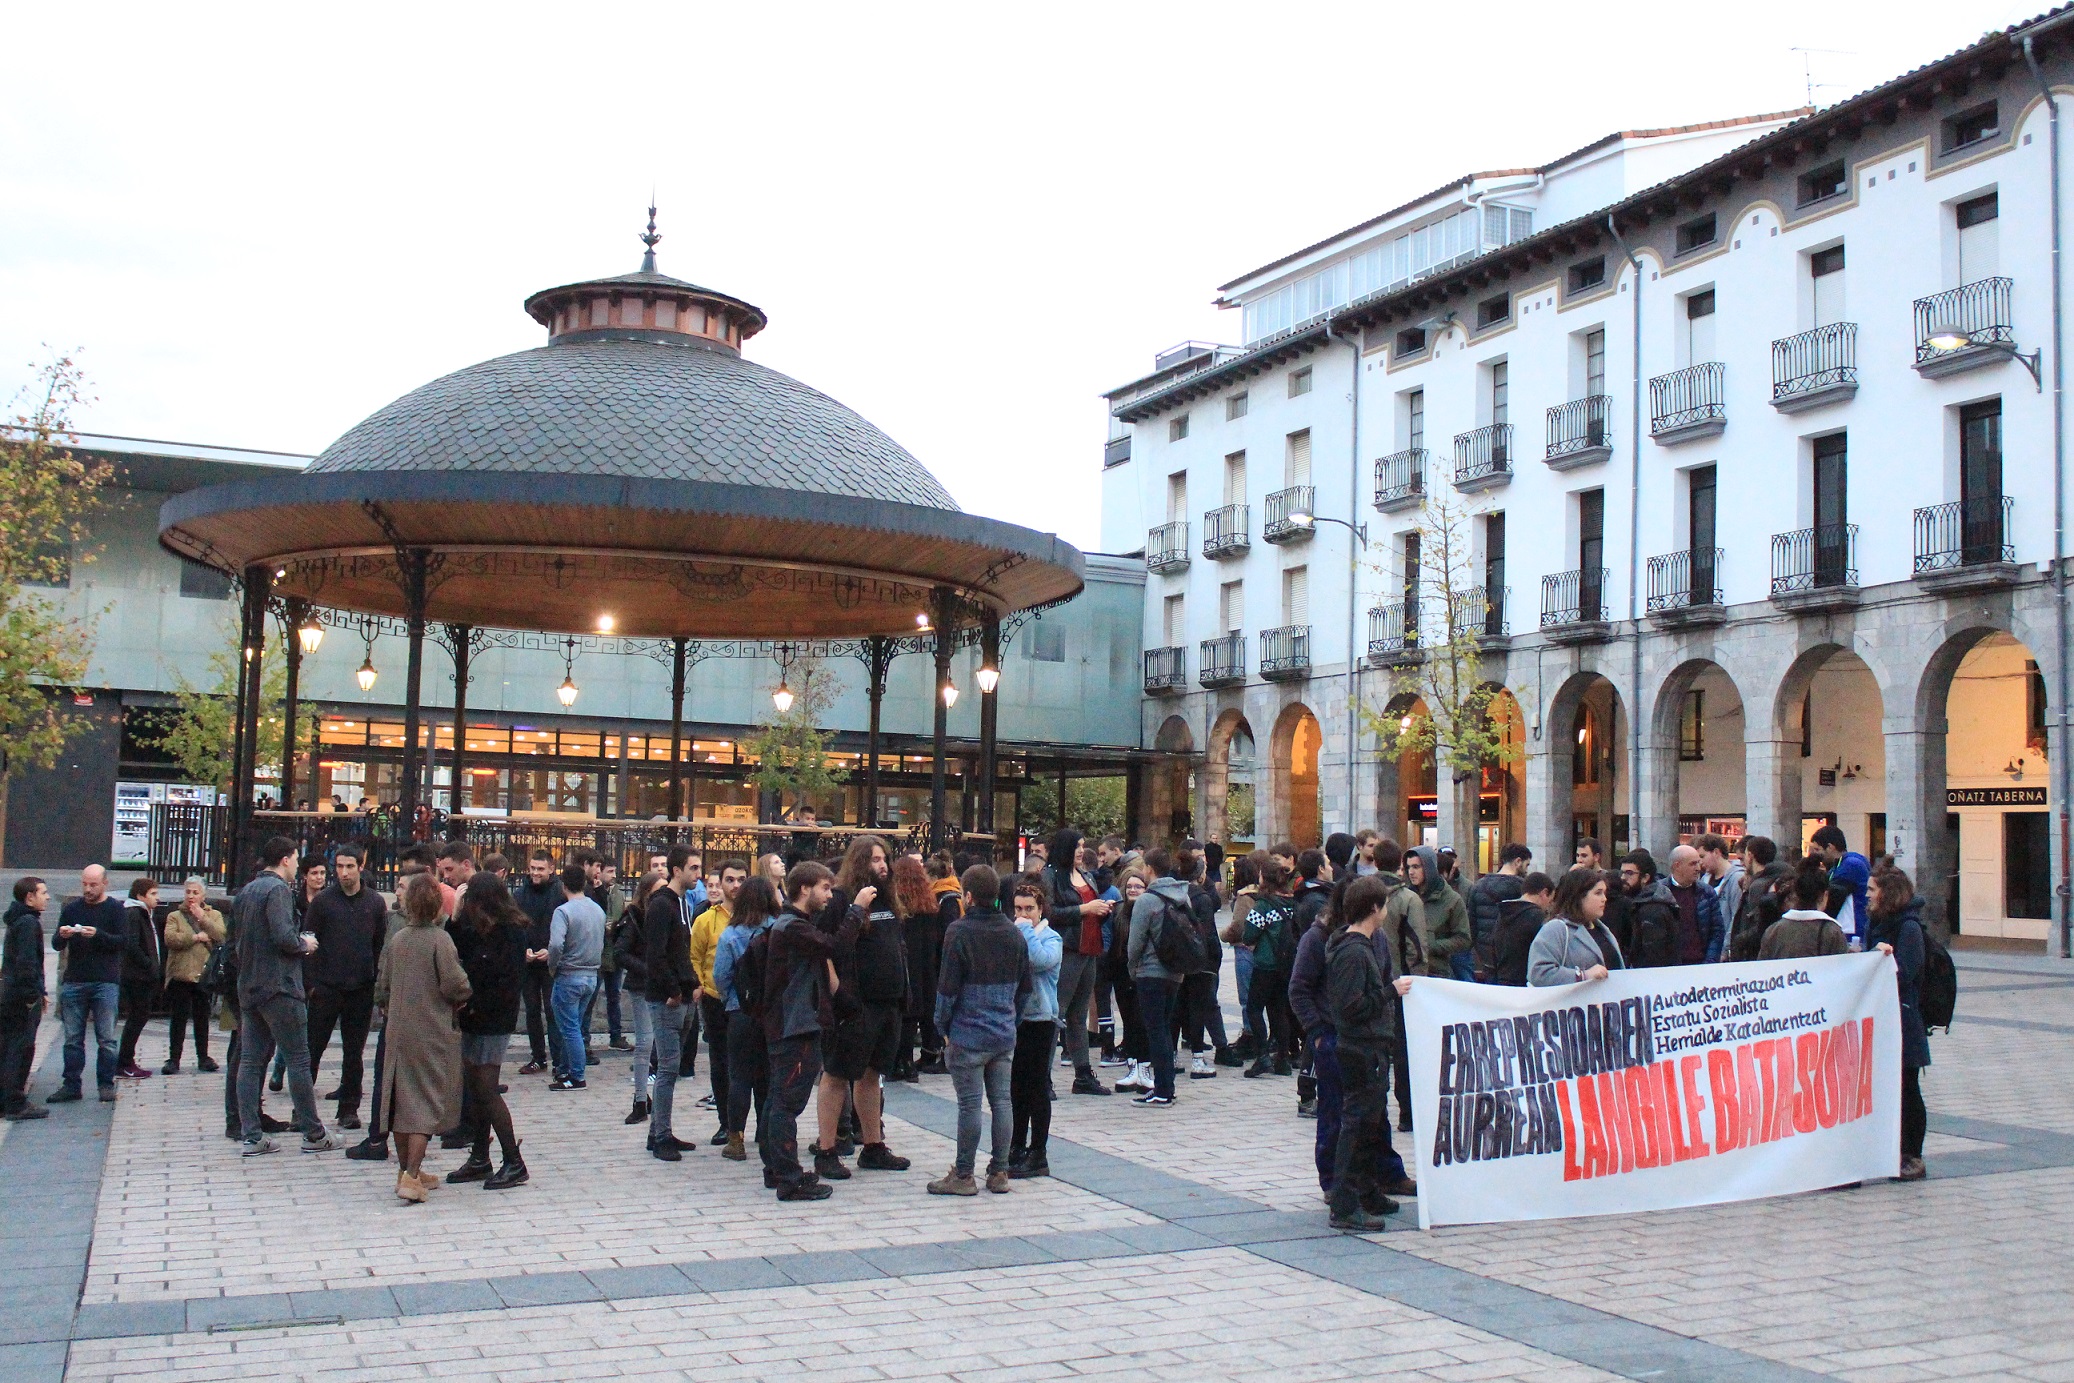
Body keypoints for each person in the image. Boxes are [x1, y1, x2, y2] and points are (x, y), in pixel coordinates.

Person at [1289, 868, 1418, 1207]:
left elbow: (1382, 978)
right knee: (1338, 1115)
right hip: (1338, 1038)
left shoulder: (1373, 938)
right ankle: (1337, 1183)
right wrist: (1317, 1032)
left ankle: (1379, 1176)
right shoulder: (1326, 940)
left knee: (1373, 1114)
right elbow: (1301, 989)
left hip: (1370, 1039)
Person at [233, 836, 345, 1154]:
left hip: (249, 984)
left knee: (251, 1060)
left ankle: (251, 1135)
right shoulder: (278, 890)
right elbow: (284, 937)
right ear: (285, 859)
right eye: (296, 858)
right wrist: (304, 944)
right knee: (298, 1058)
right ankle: (313, 1133)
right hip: (279, 985)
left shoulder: (247, 890)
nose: (297, 864)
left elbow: (234, 939)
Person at [813, 836, 911, 1178]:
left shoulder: (888, 899)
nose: (882, 865)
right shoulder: (841, 901)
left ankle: (873, 1146)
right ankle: (826, 1150)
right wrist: (840, 995)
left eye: (884, 859)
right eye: (873, 860)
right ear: (858, 863)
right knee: (837, 1074)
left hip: (888, 1004)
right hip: (855, 1006)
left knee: (872, 1076)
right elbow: (822, 950)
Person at [931, 865, 1031, 1195]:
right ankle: (1000, 1171)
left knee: (970, 1106)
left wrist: (942, 1025)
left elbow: (947, 988)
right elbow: (1025, 989)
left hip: (967, 1032)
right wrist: (1010, 1019)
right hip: (1002, 1032)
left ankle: (963, 1175)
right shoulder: (1013, 932)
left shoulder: (959, 932)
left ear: (969, 896)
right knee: (1002, 1103)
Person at [372, 873, 471, 1203]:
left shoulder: (399, 939)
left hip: (398, 1030)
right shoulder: (440, 941)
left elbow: (382, 985)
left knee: (401, 1100)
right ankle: (412, 1175)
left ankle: (406, 1170)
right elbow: (454, 984)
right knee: (425, 1103)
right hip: (430, 1031)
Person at [1326, 875, 1415, 1232]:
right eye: (1385, 905)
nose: (1387, 910)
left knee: (1373, 1125)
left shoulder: (1363, 945)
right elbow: (1350, 1007)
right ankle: (1345, 1204)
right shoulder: (1352, 951)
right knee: (1357, 1126)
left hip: (1372, 1046)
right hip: (1359, 1048)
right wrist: (1390, 991)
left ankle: (1366, 1190)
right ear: (1374, 909)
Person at [442, 874, 530, 1189]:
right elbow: (453, 947)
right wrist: (453, 917)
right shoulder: (479, 929)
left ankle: (513, 1160)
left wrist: (473, 1004)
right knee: (476, 1089)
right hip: (474, 1018)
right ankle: (480, 1157)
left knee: (487, 1088)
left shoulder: (510, 932)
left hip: (493, 1019)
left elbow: (506, 983)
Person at [763, 860, 841, 1200]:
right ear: (804, 889)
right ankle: (788, 1179)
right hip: (795, 1025)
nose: (829, 895)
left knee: (778, 1098)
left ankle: (777, 1169)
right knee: (786, 1102)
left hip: (791, 1023)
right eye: (824, 888)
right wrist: (855, 912)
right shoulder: (792, 927)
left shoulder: (794, 924)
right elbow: (834, 946)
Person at [302, 844, 389, 1128]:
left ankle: (349, 1108)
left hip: (360, 987)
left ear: (361, 867)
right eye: (339, 866)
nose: (344, 872)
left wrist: (374, 980)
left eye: (350, 866)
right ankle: (302, 1110)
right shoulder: (323, 902)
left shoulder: (374, 903)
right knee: (312, 1049)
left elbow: (379, 944)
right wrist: (312, 984)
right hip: (327, 986)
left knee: (354, 1052)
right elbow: (308, 941)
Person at [1866, 865, 1932, 1182]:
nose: (1866, 895)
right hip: (1880, 1017)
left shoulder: (1908, 929)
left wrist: (1883, 958)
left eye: (1872, 889)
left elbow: (1905, 973)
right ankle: (1890, 1150)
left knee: (1907, 1087)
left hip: (1903, 1019)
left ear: (1887, 894)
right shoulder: (1877, 923)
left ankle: (1912, 1155)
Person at [1041, 828, 1113, 1097]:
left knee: (1078, 1016)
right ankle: (1042, 1077)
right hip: (1067, 951)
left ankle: (1083, 1075)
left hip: (1089, 950)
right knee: (1056, 1014)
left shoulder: (1085, 875)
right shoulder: (1049, 877)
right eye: (1076, 846)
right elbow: (1048, 913)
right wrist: (1085, 910)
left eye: (1083, 846)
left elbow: (1090, 909)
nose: (1081, 851)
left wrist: (1103, 910)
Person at [642, 846, 701, 1162]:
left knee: (672, 1066)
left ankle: (660, 1131)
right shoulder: (662, 905)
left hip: (682, 994)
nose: (697, 874)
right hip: (667, 999)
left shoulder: (681, 903)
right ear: (677, 870)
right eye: (692, 868)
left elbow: (681, 951)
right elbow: (656, 954)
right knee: (667, 1067)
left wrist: (691, 983)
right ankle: (660, 1136)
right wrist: (674, 990)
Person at [714, 876, 778, 1166]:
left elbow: (721, 976)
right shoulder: (777, 929)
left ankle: (735, 1138)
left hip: (740, 1011)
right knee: (767, 1075)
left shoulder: (731, 934)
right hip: (771, 1012)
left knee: (739, 1076)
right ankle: (766, 1133)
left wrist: (732, 1000)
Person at [51, 865, 127, 1104]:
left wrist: (98, 935)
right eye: (85, 884)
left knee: (106, 1037)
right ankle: (71, 1084)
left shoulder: (115, 909)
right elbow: (56, 944)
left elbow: (123, 942)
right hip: (75, 979)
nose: (88, 889)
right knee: (72, 1038)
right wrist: (62, 935)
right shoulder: (73, 908)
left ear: (105, 883)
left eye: (93, 884)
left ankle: (105, 1084)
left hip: (105, 980)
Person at [1126, 848, 1192, 1107]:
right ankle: (1167, 1087)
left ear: (1150, 869)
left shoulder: (1147, 900)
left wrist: (1133, 969)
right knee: (1164, 1029)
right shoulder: (1182, 897)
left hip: (1151, 971)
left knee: (1156, 1032)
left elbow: (1135, 942)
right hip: (1175, 971)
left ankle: (1163, 1090)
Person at [1007, 882, 1062, 1178]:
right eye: (1018, 908)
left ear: (1041, 910)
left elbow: (1039, 961)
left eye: (1029, 908)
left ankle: (1038, 1152)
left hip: (1041, 1020)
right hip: (1016, 1019)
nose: (1023, 914)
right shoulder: (1013, 936)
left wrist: (1025, 929)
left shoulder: (1051, 938)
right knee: (1016, 1088)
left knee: (1037, 1086)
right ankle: (1016, 1145)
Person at [688, 860, 747, 1128]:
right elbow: (695, 956)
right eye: (730, 880)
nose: (736, 885)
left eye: (741, 880)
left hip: (748, 1001)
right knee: (720, 1062)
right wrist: (700, 985)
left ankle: (753, 1125)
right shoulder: (706, 920)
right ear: (720, 884)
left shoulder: (754, 917)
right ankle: (726, 1123)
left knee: (749, 1065)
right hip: (715, 999)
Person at [547, 862, 605, 1090]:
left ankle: (576, 1075)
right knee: (575, 1025)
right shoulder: (597, 910)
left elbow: (555, 945)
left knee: (569, 1028)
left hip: (569, 974)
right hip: (591, 975)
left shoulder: (563, 912)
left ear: (563, 885)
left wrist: (553, 967)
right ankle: (565, 1069)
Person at [161, 878, 225, 1074]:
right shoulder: (175, 916)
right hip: (181, 975)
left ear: (203, 895)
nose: (191, 896)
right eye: (188, 892)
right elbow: (171, 938)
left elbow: (221, 935)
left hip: (203, 975)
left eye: (195, 892)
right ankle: (174, 1058)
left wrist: (202, 919)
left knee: (202, 1018)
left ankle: (203, 1056)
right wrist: (195, 937)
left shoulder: (214, 915)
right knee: (178, 1018)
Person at [1241, 862, 1298, 1080]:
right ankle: (1283, 1059)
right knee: (1279, 1010)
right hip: (1286, 965)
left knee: (1254, 1009)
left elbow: (1248, 935)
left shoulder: (1263, 906)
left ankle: (1262, 1055)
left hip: (1265, 964)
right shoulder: (1292, 903)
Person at [894, 855, 947, 1080]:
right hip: (927, 967)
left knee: (904, 1015)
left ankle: (902, 1061)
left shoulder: (900, 908)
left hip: (906, 965)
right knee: (920, 1012)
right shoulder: (929, 905)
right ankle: (917, 1060)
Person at [613, 870, 659, 1126]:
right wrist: (647, 969)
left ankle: (647, 1097)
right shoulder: (635, 917)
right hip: (643, 985)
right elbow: (620, 952)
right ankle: (639, 1100)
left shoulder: (666, 911)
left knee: (656, 1044)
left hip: (660, 984)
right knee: (644, 1042)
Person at [2, 879, 49, 1120]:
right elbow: (27, 963)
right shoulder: (29, 923)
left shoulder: (17, 920)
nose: (48, 897)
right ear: (29, 897)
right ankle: (14, 1102)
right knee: (20, 1049)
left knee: (8, 1047)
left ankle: (5, 1099)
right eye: (43, 892)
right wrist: (34, 995)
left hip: (9, 993)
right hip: (20, 997)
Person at [511, 849, 561, 1076]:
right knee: (532, 1010)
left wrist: (551, 951)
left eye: (540, 869)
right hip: (529, 962)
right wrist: (524, 950)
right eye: (532, 868)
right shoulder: (520, 894)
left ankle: (559, 1058)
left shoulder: (559, 892)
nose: (535, 873)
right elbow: (515, 924)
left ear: (551, 868)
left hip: (552, 962)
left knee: (553, 1011)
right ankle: (538, 1057)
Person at [1528, 869, 1625, 986]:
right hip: (1572, 1003)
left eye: (1604, 893)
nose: (1604, 898)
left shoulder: (1602, 929)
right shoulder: (1556, 928)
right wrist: (1583, 975)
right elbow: (1539, 973)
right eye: (1598, 893)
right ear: (1579, 896)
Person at [113, 878, 163, 1080]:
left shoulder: (144, 913)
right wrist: (149, 964)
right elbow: (131, 945)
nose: (157, 898)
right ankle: (124, 1062)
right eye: (152, 894)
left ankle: (127, 1060)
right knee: (137, 1017)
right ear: (140, 896)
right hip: (137, 977)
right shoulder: (134, 914)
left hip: (143, 975)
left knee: (139, 1017)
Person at [1107, 869, 1152, 1092]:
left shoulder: (1150, 910)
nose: (1133, 890)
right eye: (1129, 887)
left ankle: (1143, 1068)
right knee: (1129, 1021)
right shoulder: (1118, 912)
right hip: (1122, 974)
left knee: (1142, 1021)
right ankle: (1133, 1067)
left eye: (1138, 886)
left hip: (1144, 973)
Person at [1759, 860, 1851, 959]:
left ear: (1796, 894)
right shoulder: (1832, 932)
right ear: (1825, 895)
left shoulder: (1773, 930)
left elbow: (1764, 967)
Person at [1222, 851, 1265, 1059]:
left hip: (1244, 949)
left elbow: (1239, 927)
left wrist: (1223, 934)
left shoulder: (1244, 898)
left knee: (1246, 997)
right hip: (1260, 950)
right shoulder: (1263, 894)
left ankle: (1250, 1036)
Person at [1468, 844, 1532, 981]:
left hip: (1486, 957)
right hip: (1515, 960)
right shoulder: (1523, 889)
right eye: (1527, 865)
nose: (1527, 871)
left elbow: (1472, 925)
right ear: (1518, 862)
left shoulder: (1478, 886)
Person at [1407, 847, 1468, 984]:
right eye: (1409, 867)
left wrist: (1431, 945)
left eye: (1416, 867)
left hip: (1437, 973)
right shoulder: (1405, 896)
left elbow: (1464, 939)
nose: (1411, 872)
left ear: (1429, 867)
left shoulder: (1452, 899)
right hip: (1407, 971)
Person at [1727, 836, 1792, 962]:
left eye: (1744, 856)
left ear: (1750, 856)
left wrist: (1739, 941)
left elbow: (1753, 922)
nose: (1742, 862)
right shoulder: (1783, 879)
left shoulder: (1757, 885)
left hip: (1756, 953)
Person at [1616, 850, 1682, 968]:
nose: (1623, 878)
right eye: (1622, 873)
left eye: (1629, 873)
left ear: (1645, 877)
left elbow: (1654, 957)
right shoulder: (1645, 901)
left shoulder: (1652, 908)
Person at [1488, 872, 1555, 987]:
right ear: (1544, 893)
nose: (1549, 905)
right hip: (1525, 984)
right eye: (1550, 900)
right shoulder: (1537, 917)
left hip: (1501, 981)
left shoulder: (1503, 912)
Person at [1812, 824, 1871, 948]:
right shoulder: (1840, 865)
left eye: (1818, 850)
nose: (1816, 855)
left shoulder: (1850, 864)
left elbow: (1833, 897)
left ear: (1830, 847)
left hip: (1852, 933)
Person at [1696, 834, 1744, 939]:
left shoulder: (1736, 879)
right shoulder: (1704, 879)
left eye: (1702, 856)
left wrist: (1726, 949)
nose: (1700, 862)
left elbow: (1736, 918)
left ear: (1716, 852)